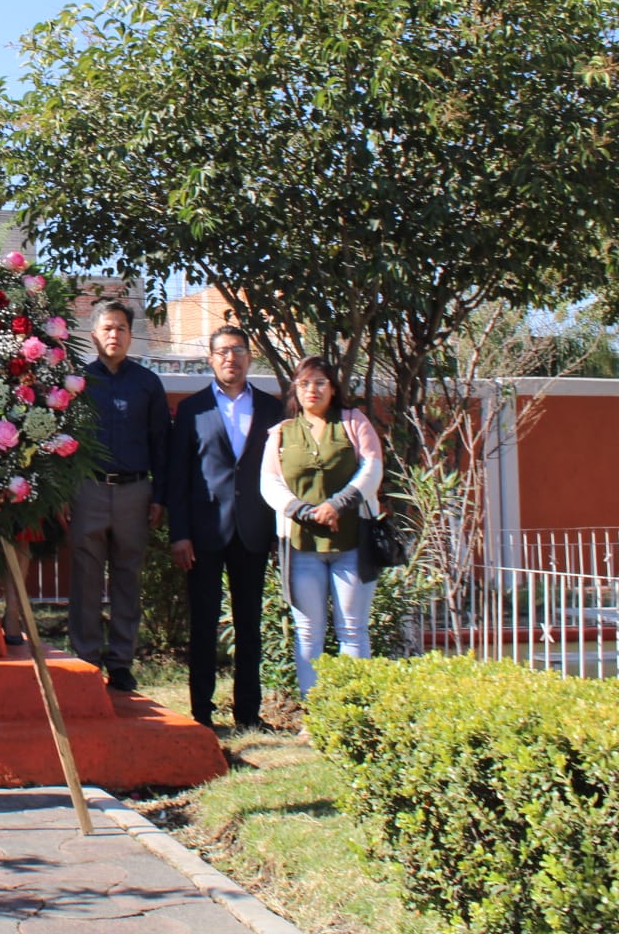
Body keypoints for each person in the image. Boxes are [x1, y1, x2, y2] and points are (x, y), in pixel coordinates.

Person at [166, 325, 287, 729]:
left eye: (237, 350)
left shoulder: (272, 409)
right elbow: (177, 476)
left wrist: (276, 533)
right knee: (203, 625)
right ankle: (201, 712)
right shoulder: (191, 409)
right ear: (210, 359)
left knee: (249, 625)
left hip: (253, 531)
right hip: (202, 534)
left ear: (250, 357)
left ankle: (248, 714)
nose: (230, 358)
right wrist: (179, 533)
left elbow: (282, 473)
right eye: (222, 352)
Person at [258, 355, 386, 701]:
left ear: (333, 388)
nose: (312, 390)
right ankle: (314, 713)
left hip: (352, 546)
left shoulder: (352, 422)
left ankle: (353, 712)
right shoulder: (282, 433)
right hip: (302, 549)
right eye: (304, 383)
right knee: (308, 632)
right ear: (295, 390)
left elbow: (372, 469)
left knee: (352, 630)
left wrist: (337, 505)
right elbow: (269, 484)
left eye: (319, 383)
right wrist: (302, 511)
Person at [64, 300, 169, 693]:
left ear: (131, 334)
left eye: (122, 328)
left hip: (135, 491)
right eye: (107, 328)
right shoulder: (77, 382)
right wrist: (64, 494)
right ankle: (86, 659)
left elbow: (162, 442)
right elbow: (63, 441)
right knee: (86, 578)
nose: (115, 335)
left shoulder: (147, 383)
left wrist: (160, 494)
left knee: (129, 576)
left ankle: (122, 662)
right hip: (88, 489)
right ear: (94, 335)